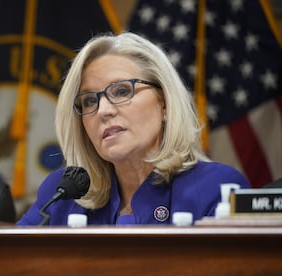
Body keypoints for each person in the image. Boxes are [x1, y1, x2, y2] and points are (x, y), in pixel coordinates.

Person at [17, 32, 250, 226]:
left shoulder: (216, 189)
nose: (103, 110)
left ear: (165, 104)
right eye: (89, 101)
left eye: (121, 91)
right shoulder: (62, 195)